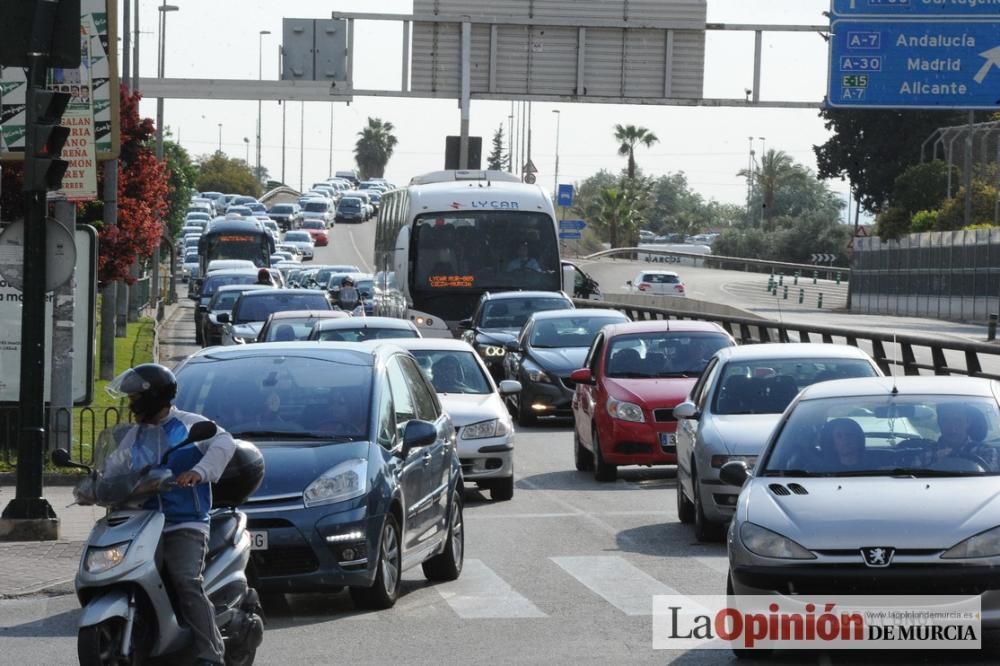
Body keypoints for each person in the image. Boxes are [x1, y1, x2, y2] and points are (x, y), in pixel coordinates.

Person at [106, 363, 236, 666]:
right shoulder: (135, 435)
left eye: (134, 397)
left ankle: (211, 655)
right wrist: (98, 484)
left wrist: (199, 472)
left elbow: (224, 442)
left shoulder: (188, 425)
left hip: (184, 521)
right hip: (141, 521)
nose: (131, 404)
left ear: (153, 397)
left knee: (185, 579)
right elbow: (115, 465)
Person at [932, 403, 997, 470]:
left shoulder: (985, 451)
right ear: (939, 422)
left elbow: (988, 476)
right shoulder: (926, 453)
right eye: (946, 421)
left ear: (968, 422)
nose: (952, 429)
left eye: (958, 421)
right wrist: (935, 462)